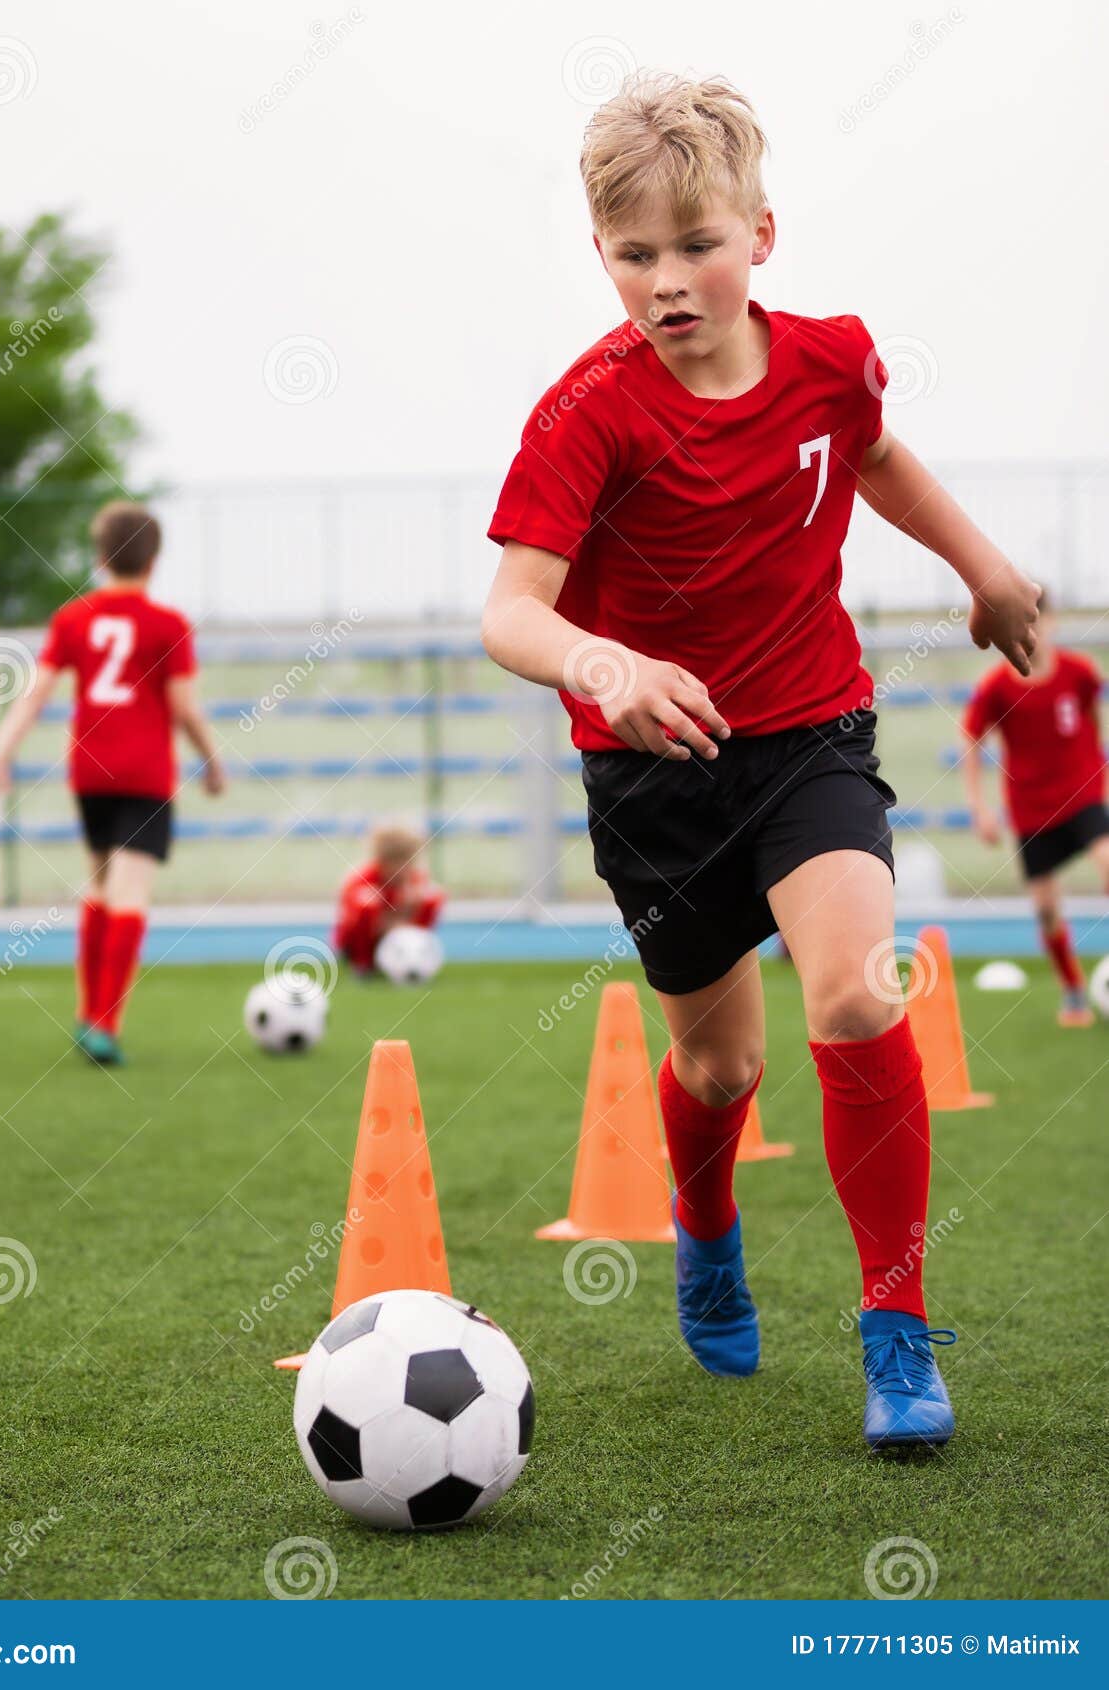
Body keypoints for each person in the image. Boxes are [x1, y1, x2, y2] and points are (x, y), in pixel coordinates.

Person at [481, 73, 1040, 1449]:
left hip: (808, 739)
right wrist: (607, 669)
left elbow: (878, 456)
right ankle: (706, 1222)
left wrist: (984, 570)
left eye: (696, 246)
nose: (668, 282)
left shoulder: (828, 361)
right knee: (721, 1069)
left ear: (761, 236)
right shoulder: (586, 414)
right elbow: (511, 611)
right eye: (634, 256)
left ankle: (896, 1330)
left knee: (854, 991)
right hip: (658, 778)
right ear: (601, 254)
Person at [0, 501, 225, 1064]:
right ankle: (105, 1025)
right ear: (154, 561)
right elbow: (183, 707)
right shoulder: (167, 624)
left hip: (89, 771)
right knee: (129, 895)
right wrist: (213, 759)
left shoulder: (72, 619)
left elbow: (35, 693)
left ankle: (89, 1013)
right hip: (145, 774)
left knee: (100, 888)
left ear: (99, 556)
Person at [961, 588, 1108, 1026]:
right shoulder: (997, 687)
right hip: (1031, 811)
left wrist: (1099, 770)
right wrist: (979, 809)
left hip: (1082, 797)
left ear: (1053, 623)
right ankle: (1073, 990)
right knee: (1046, 910)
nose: (1034, 631)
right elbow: (970, 740)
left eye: (1039, 621)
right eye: (1024, 624)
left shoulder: (1080, 673)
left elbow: (1094, 722)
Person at [333, 825, 445, 975]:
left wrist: (406, 916)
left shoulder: (416, 880)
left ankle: (414, 953)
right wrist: (387, 918)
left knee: (432, 896)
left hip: (397, 932)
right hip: (359, 940)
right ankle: (363, 964)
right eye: (394, 861)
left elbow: (428, 900)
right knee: (367, 903)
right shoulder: (361, 879)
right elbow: (349, 919)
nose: (400, 868)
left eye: (406, 861)